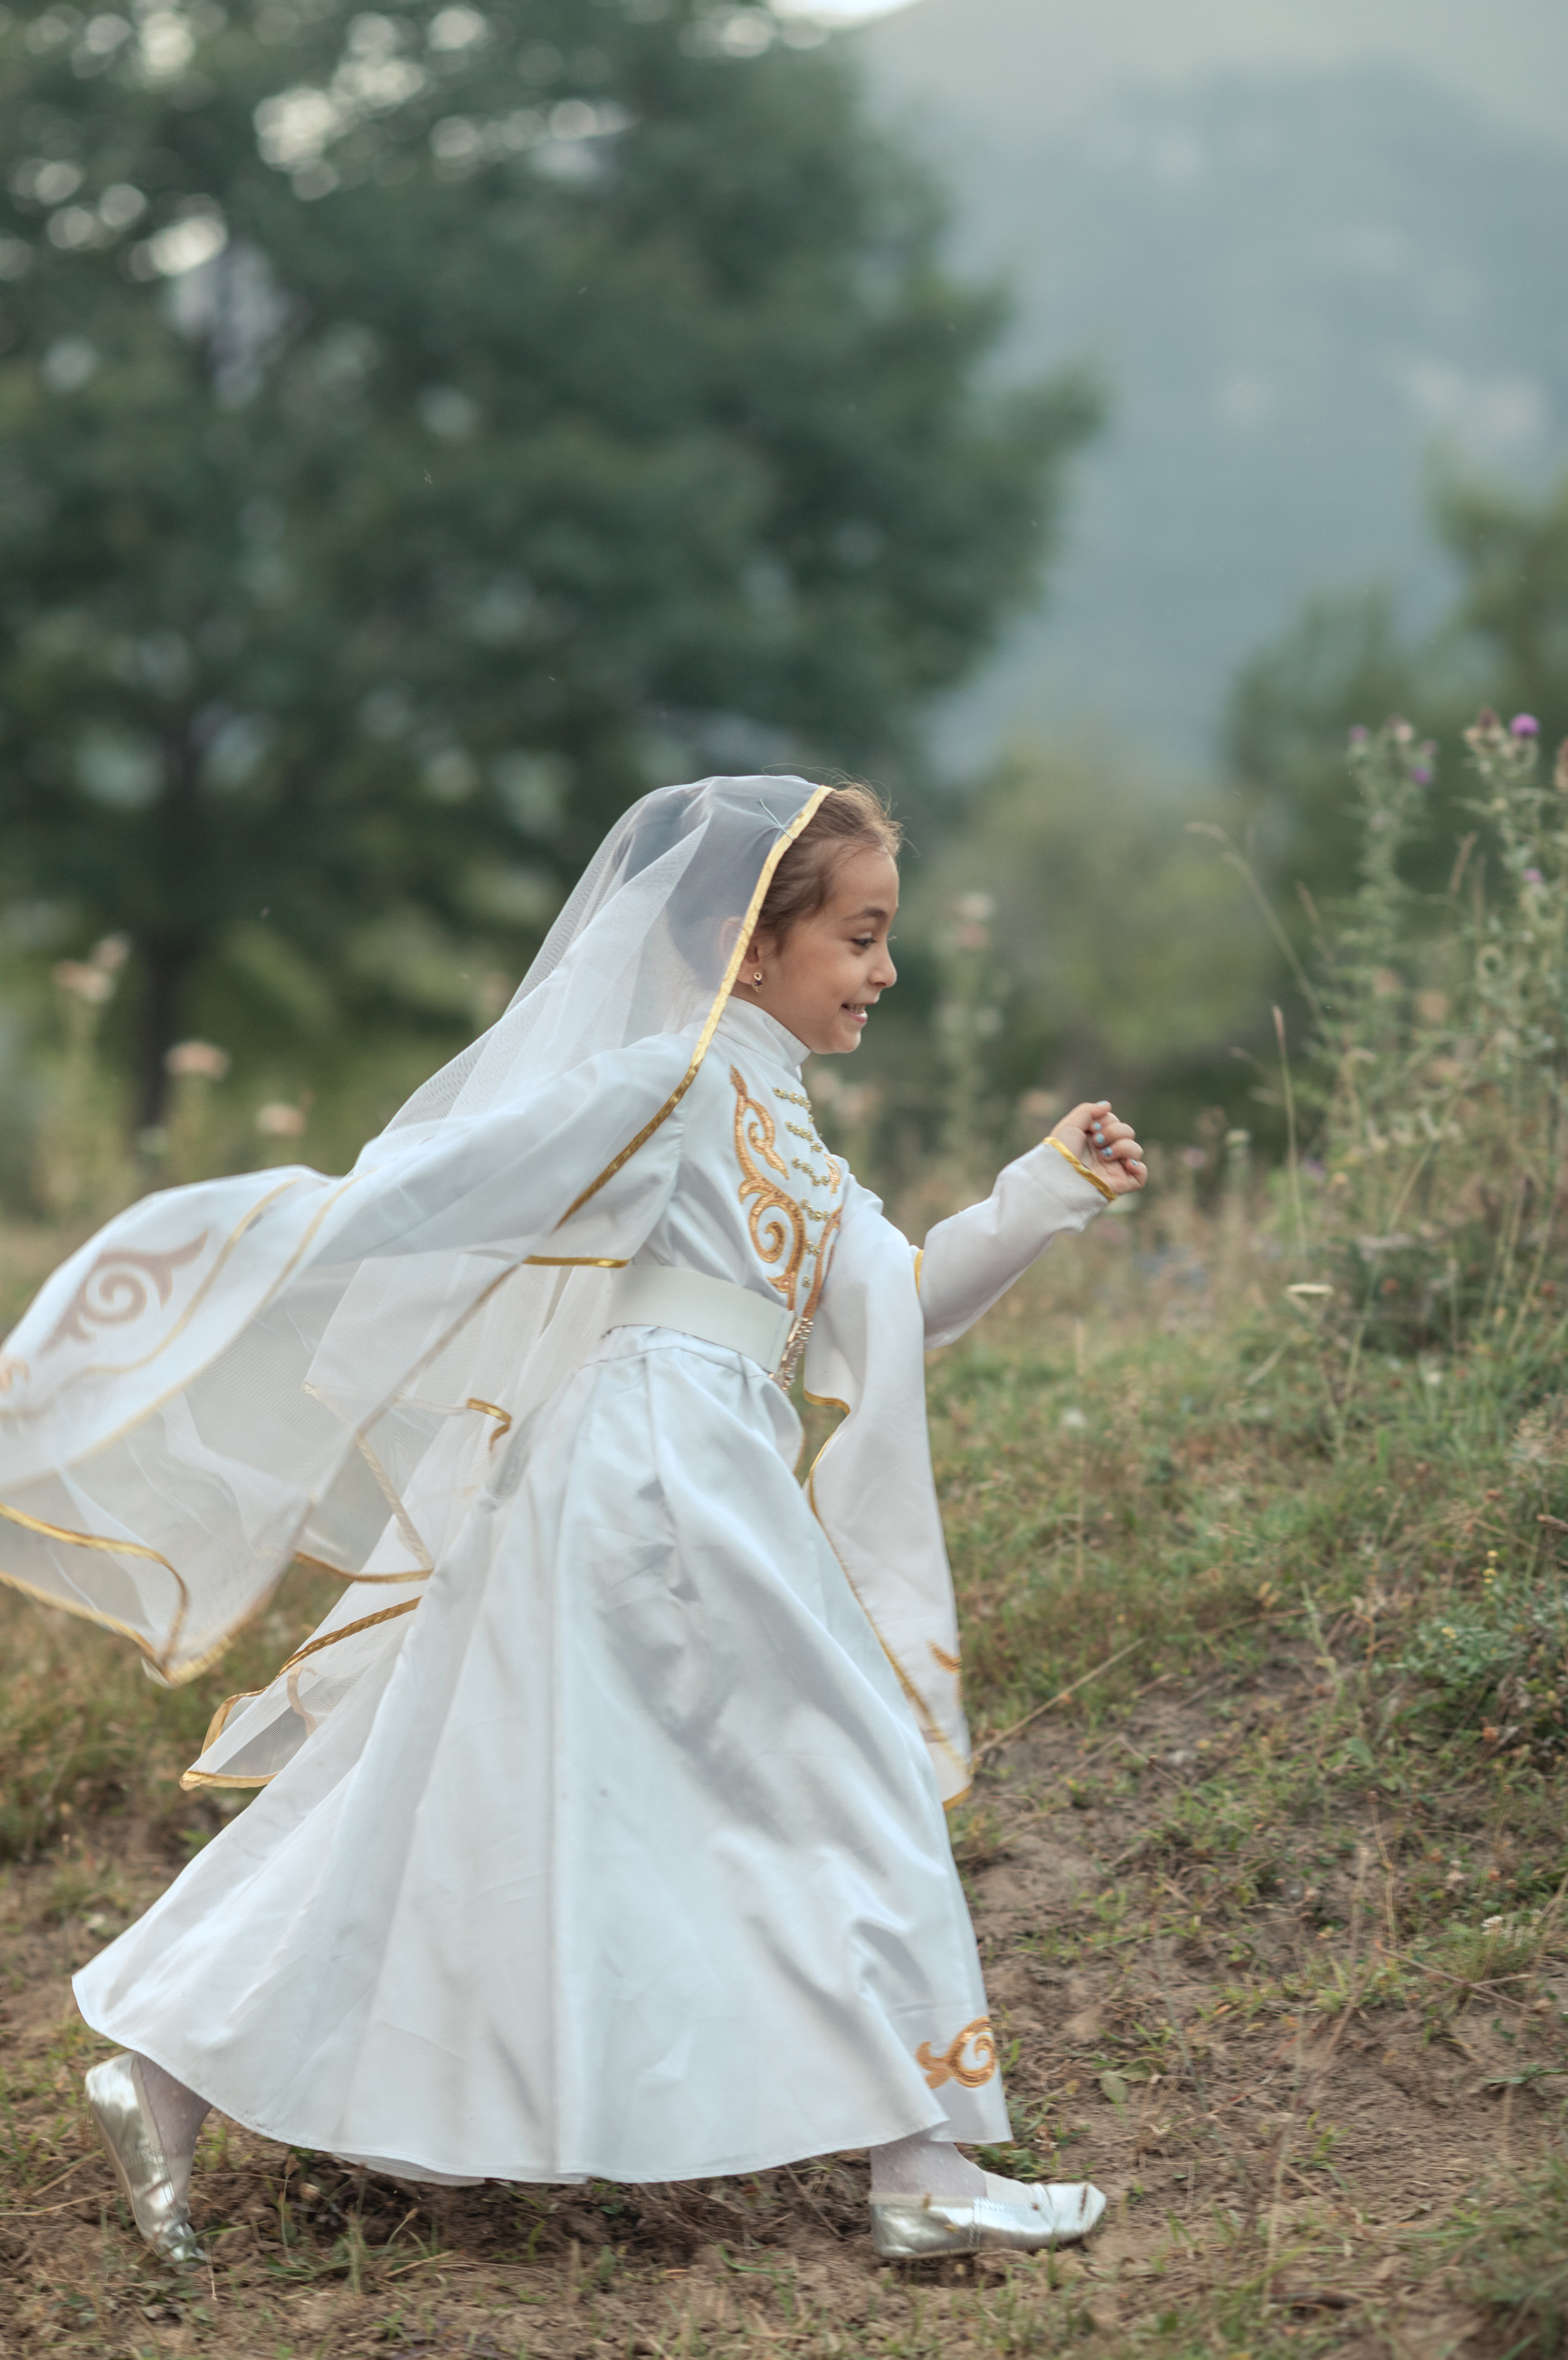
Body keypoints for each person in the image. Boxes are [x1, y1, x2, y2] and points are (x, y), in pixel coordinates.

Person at [0, 775, 1145, 2269]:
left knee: (437, 1793)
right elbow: (444, 1188)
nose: (884, 969)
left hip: (685, 1466)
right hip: (650, 1475)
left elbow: (899, 1305)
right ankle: (923, 2168)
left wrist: (1046, 1191)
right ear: (750, 946)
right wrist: (236, 1261)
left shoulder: (786, 1129)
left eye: (884, 937)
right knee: (844, 1764)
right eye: (859, 936)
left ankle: (160, 2078)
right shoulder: (670, 1081)